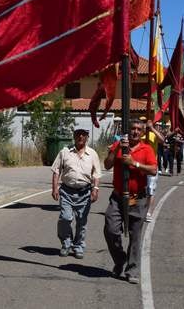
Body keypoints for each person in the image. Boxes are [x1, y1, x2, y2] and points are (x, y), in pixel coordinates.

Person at [103, 121, 158, 284]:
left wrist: (134, 163)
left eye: (138, 129)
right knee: (111, 230)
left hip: (138, 199)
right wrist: (118, 148)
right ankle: (120, 260)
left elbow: (153, 170)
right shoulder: (119, 145)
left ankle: (132, 270)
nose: (135, 132)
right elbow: (107, 165)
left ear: (142, 133)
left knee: (135, 237)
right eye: (132, 129)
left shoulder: (146, 149)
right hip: (118, 197)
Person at [51, 128, 101, 259]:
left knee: (81, 221)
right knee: (65, 218)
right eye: (78, 134)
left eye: (83, 135)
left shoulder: (93, 154)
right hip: (67, 191)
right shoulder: (65, 151)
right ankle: (66, 244)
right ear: (74, 136)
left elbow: (96, 174)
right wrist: (55, 188)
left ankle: (78, 246)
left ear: (87, 137)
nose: (80, 137)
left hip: (84, 192)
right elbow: (56, 170)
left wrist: (95, 189)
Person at [143, 119, 165, 222]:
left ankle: (148, 212)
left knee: (150, 190)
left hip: (151, 166)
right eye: (143, 123)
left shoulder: (153, 134)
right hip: (139, 166)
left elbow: (162, 140)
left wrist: (152, 129)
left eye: (146, 123)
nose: (145, 125)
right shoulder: (139, 135)